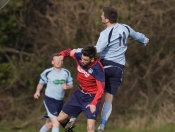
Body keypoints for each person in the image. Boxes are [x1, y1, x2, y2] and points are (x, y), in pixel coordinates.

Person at [67, 6, 149, 132]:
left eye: (102, 15)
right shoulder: (125, 27)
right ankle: (102, 126)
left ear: (107, 19)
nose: (101, 16)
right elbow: (138, 36)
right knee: (109, 98)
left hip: (105, 66)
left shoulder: (106, 33)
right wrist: (145, 40)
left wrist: (77, 50)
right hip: (118, 69)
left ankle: (73, 118)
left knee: (89, 89)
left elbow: (96, 50)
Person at [57, 45, 105, 132]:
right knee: (60, 119)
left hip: (91, 98)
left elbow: (101, 90)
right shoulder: (79, 56)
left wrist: (94, 103)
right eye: (82, 58)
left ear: (92, 59)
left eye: (85, 60)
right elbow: (68, 52)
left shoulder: (98, 70)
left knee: (90, 128)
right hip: (79, 94)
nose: (82, 61)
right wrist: (61, 55)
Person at [34, 53, 73, 132]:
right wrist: (37, 91)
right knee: (56, 123)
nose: (58, 62)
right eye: (56, 60)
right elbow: (41, 83)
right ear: (52, 62)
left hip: (60, 102)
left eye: (59, 60)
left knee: (49, 124)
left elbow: (71, 85)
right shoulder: (47, 72)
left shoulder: (66, 72)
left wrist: (67, 87)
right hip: (50, 100)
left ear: (62, 62)